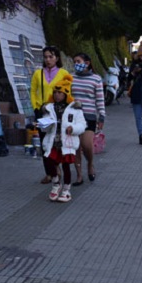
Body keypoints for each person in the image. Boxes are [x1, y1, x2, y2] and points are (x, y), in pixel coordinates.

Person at [40, 74, 86, 203]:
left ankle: (66, 190)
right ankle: (56, 183)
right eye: (55, 92)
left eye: (59, 92)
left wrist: (73, 128)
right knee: (49, 161)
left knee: (66, 166)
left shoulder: (75, 109)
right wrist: (45, 125)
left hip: (67, 143)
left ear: (66, 93)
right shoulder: (49, 108)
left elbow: (82, 125)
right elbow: (44, 127)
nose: (57, 95)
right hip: (52, 142)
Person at [30, 46, 71, 184]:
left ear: (57, 58)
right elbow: (33, 91)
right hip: (42, 112)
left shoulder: (64, 73)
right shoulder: (38, 74)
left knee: (57, 141)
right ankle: (49, 172)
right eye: (46, 57)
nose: (48, 60)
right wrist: (36, 107)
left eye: (51, 57)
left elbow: (68, 93)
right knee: (44, 143)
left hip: (59, 112)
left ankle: (58, 168)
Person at [70, 53, 105, 185]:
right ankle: (79, 175)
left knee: (86, 144)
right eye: (74, 62)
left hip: (89, 117)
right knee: (75, 147)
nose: (76, 64)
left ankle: (90, 164)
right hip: (72, 117)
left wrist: (101, 116)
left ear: (87, 63)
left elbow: (100, 99)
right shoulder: (70, 78)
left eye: (78, 61)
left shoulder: (96, 79)